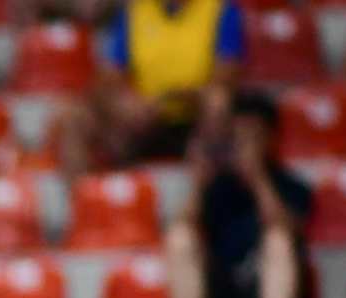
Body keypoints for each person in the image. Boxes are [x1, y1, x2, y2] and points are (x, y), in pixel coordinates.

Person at [167, 90, 313, 298]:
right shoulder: (215, 184)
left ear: (271, 138)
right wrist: (198, 184)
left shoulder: (291, 185)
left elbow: (288, 228)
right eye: (239, 137)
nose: (244, 145)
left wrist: (257, 178)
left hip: (262, 293)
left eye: (252, 137)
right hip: (220, 292)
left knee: (277, 238)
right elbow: (181, 224)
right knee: (180, 235)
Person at [59, 0, 244, 177]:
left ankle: (201, 195)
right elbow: (108, 76)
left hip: (194, 117)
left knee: (217, 100)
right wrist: (131, 102)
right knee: (74, 118)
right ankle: (88, 203)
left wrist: (177, 96)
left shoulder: (222, 10)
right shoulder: (134, 11)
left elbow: (225, 76)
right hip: (146, 116)